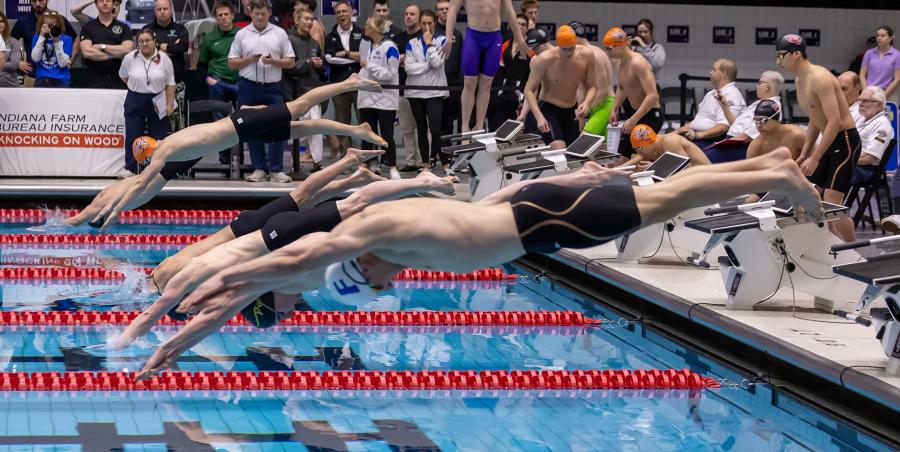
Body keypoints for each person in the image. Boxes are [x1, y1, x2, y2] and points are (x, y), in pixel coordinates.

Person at [134, 148, 825, 377]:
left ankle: (777, 171)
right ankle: (768, 167)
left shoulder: (372, 236)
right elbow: (256, 286)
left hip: (539, 223)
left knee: (670, 198)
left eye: (370, 284)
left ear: (362, 267)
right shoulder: (389, 240)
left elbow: (248, 275)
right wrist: (169, 339)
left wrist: (182, 305)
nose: (384, 287)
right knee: (663, 197)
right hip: (532, 210)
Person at [116, 170, 454, 342]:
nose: (289, 313)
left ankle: (419, 181)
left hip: (278, 238)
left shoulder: (194, 275)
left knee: (355, 206)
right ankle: (412, 194)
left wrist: (127, 337)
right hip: (276, 239)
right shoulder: (228, 287)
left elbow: (155, 311)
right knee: (355, 213)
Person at [64, 74, 387, 230]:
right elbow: (139, 190)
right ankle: (356, 131)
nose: (148, 165)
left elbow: (137, 185)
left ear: (148, 152)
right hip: (242, 126)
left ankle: (349, 82)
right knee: (300, 128)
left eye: (145, 160)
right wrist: (91, 214)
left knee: (300, 108)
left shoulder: (167, 150)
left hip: (241, 123)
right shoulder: (175, 152)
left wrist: (114, 214)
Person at [150, 149, 386, 291]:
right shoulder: (163, 270)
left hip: (243, 232)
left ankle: (348, 161)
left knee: (302, 196)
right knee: (305, 199)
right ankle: (354, 179)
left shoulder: (168, 280)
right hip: (239, 230)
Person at [777, 33, 859, 242]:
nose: (779, 61)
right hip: (830, 140)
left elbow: (835, 121)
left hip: (845, 139)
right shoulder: (799, 80)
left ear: (796, 54)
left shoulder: (819, 77)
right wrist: (805, 154)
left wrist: (815, 158)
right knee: (812, 194)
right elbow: (815, 118)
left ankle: (851, 249)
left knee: (832, 200)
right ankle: (831, 247)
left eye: (782, 55)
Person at [228, 0, 296, 183]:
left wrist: (274, 62)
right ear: (250, 13)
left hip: (273, 87)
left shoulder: (279, 33)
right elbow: (232, 63)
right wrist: (249, 60)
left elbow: (290, 61)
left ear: (269, 12)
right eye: (256, 14)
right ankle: (258, 168)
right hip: (249, 86)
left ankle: (276, 170)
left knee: (277, 126)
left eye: (263, 14)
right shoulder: (241, 34)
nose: (259, 17)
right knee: (251, 127)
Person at [442, 0, 528, 132]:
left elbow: (510, 13)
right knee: (470, 83)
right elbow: (452, 11)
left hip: (494, 38)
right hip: (473, 36)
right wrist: (448, 38)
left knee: (486, 84)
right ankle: (465, 126)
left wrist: (520, 39)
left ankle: (479, 124)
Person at [522, 25, 596, 150]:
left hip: (571, 111)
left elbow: (592, 86)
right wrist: (539, 117)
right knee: (559, 148)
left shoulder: (587, 55)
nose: (569, 52)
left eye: (572, 48)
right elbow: (529, 90)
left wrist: (587, 103)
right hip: (549, 110)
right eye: (565, 49)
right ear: (558, 45)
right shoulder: (544, 59)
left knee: (573, 154)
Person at [118, 28, 175, 179]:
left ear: (154, 41)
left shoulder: (164, 59)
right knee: (132, 133)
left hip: (158, 99)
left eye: (147, 40)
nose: (144, 43)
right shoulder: (130, 57)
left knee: (160, 136)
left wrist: (169, 104)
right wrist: (139, 86)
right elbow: (123, 76)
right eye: (141, 41)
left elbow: (170, 83)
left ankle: (161, 168)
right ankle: (130, 168)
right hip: (135, 99)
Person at [604, 27, 662, 160]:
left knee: (640, 160)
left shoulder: (638, 63)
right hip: (634, 115)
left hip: (650, 116)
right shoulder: (619, 63)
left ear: (620, 45)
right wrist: (614, 108)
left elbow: (653, 96)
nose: (608, 52)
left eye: (609, 48)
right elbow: (622, 87)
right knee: (621, 159)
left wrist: (633, 120)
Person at [405, 10, 451, 176]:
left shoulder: (442, 40)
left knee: (436, 129)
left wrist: (430, 44)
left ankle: (445, 163)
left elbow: (438, 63)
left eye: (429, 23)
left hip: (435, 92)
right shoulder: (411, 42)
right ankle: (425, 164)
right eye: (423, 24)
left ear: (434, 23)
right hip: (415, 92)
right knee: (421, 129)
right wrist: (427, 67)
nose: (426, 27)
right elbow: (409, 68)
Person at [704, 70, 783, 163]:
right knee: (701, 153)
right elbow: (736, 126)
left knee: (705, 156)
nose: (756, 86)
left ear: (767, 87)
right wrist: (724, 106)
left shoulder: (770, 107)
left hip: (743, 147)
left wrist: (719, 145)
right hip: (734, 142)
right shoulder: (760, 104)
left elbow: (746, 137)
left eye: (759, 82)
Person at [357, 16, 401, 180]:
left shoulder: (390, 47)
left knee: (386, 135)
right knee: (366, 134)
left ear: (374, 28)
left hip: (385, 100)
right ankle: (364, 165)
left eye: (367, 25)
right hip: (366, 98)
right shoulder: (365, 44)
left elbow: (390, 74)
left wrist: (369, 65)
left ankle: (392, 167)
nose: (365, 27)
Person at [199, 0, 241, 164]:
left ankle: (242, 158)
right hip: (218, 83)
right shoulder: (209, 38)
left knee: (242, 118)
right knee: (220, 122)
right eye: (220, 15)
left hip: (239, 82)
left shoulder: (241, 34)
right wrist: (208, 80)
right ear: (216, 18)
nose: (223, 18)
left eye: (226, 14)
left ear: (232, 16)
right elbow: (201, 64)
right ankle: (225, 159)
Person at [284, 5, 325, 171]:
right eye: (306, 19)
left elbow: (321, 67)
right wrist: (309, 63)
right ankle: (295, 165)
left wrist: (320, 65)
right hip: (294, 93)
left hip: (313, 92)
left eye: (312, 19)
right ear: (297, 20)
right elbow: (288, 67)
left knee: (316, 128)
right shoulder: (288, 40)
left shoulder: (314, 42)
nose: (310, 22)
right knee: (294, 130)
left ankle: (317, 163)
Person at [673, 58, 746, 149]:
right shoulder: (710, 93)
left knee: (669, 146)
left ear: (724, 74)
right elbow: (698, 121)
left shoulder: (732, 95)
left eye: (714, 69)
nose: (710, 73)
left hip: (710, 141)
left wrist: (698, 135)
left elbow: (723, 127)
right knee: (663, 141)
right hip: (695, 136)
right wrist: (675, 132)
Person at [324, 0, 363, 159]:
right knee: (342, 122)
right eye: (338, 12)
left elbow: (365, 57)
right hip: (339, 84)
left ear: (351, 12)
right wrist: (355, 58)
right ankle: (347, 157)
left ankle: (369, 157)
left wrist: (346, 53)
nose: (342, 15)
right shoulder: (330, 36)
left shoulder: (361, 33)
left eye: (344, 11)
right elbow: (330, 59)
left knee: (364, 119)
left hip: (360, 83)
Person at [145, 0, 189, 131]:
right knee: (153, 123)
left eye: (165, 8)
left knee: (177, 124)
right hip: (152, 86)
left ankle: (178, 151)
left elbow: (181, 47)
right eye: (159, 9)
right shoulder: (147, 30)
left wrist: (157, 46)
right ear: (155, 11)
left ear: (171, 10)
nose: (162, 12)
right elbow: (144, 51)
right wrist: (170, 47)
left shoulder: (180, 29)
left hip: (177, 84)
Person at [11, 0, 79, 83]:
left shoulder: (59, 19)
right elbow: (9, 42)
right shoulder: (23, 21)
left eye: (40, 0)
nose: (37, 4)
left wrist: (70, 60)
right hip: (32, 75)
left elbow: (76, 39)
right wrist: (17, 62)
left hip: (59, 77)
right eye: (33, 1)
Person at [571, 21, 613, 140]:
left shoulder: (595, 55)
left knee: (583, 143)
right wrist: (581, 118)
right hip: (593, 106)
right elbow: (580, 88)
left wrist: (586, 110)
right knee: (600, 151)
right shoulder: (582, 55)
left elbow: (602, 91)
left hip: (605, 104)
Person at [78, 0, 133, 89]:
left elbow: (127, 49)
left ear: (113, 4)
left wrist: (101, 47)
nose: (104, 3)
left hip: (118, 77)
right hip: (93, 78)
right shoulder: (88, 26)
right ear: (96, 4)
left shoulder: (124, 27)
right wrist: (114, 55)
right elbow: (87, 52)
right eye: (101, 1)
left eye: (108, 0)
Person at [489, 14, 531, 128]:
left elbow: (531, 76)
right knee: (495, 131)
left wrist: (524, 96)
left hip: (520, 99)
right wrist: (497, 93)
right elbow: (499, 72)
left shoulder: (531, 50)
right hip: (502, 97)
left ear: (527, 28)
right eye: (517, 23)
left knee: (517, 136)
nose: (520, 27)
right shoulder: (504, 46)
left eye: (523, 25)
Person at [395, 5, 424, 172]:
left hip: (422, 89)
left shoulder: (424, 38)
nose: (408, 17)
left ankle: (426, 159)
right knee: (406, 128)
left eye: (412, 14)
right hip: (401, 87)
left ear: (418, 17)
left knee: (423, 126)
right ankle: (412, 161)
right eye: (406, 14)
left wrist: (408, 60)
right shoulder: (398, 39)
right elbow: (393, 62)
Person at [852, 86, 894, 185]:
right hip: (853, 164)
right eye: (859, 100)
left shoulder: (882, 124)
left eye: (865, 100)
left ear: (879, 105)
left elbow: (868, 158)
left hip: (864, 169)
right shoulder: (861, 119)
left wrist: (843, 160)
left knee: (826, 169)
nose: (860, 104)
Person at [434, 0, 464, 137]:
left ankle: (448, 156)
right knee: (436, 122)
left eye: (447, 9)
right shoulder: (432, 33)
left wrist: (460, 84)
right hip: (435, 84)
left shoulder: (457, 34)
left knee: (449, 122)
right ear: (436, 12)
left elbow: (460, 61)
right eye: (441, 9)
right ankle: (434, 154)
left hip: (453, 85)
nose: (444, 11)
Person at [624, 124, 711, 168]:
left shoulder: (669, 141)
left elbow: (684, 170)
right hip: (697, 180)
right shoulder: (656, 146)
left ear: (647, 143)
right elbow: (636, 160)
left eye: (639, 149)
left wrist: (654, 167)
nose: (640, 153)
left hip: (706, 181)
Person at [29, 11, 73, 88]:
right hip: (42, 79)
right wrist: (42, 36)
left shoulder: (67, 39)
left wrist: (57, 41)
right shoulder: (37, 37)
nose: (50, 28)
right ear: (41, 26)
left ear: (59, 25)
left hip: (61, 80)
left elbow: (62, 64)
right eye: (48, 26)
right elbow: (35, 58)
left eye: (53, 26)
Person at [860, 26, 899, 106]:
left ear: (890, 38)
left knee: (887, 118)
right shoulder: (869, 53)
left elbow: (897, 79)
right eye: (877, 35)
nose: (879, 38)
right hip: (869, 93)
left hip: (888, 94)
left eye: (883, 36)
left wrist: (883, 96)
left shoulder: (897, 55)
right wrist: (866, 92)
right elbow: (862, 75)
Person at [0, 12, 21, 87]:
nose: (0, 24)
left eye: (2, 21)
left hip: (10, 84)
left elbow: (13, 65)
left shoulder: (13, 42)